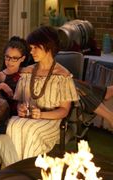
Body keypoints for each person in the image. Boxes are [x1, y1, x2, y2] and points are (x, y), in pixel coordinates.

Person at [5, 26, 79, 160]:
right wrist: (20, 108)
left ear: (48, 47)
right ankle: (13, 172)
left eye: (35, 48)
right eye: (30, 48)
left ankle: (29, 172)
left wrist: (42, 114)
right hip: (28, 119)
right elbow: (20, 101)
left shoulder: (62, 75)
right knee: (12, 125)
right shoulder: (27, 72)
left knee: (31, 131)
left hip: (51, 121)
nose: (31, 52)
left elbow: (64, 111)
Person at [0, 36, 32, 133]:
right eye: (7, 57)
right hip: (2, 114)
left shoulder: (27, 72)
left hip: (23, 112)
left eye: (14, 58)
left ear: (22, 58)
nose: (10, 61)